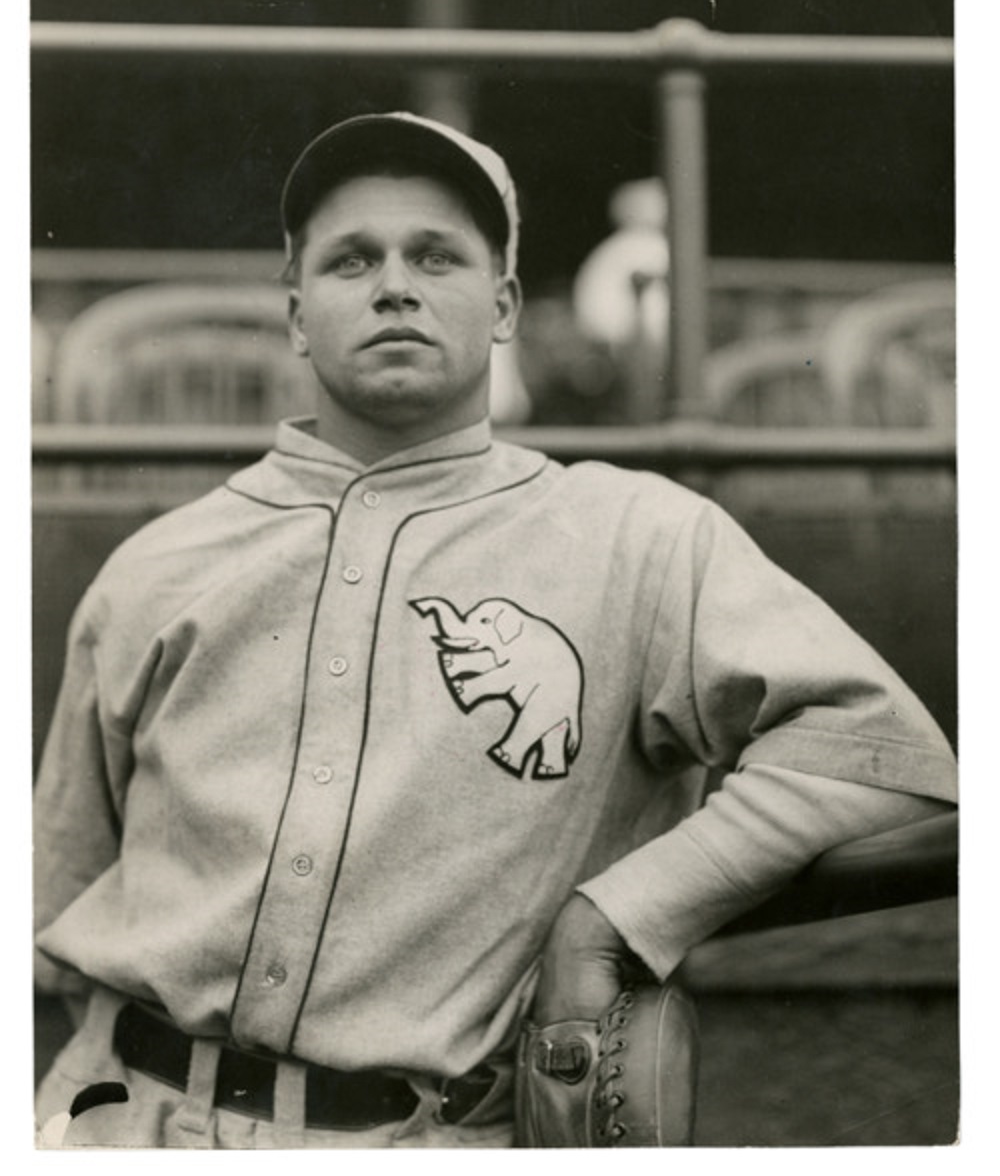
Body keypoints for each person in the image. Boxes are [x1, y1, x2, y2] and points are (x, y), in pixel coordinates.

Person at [33, 111, 957, 1149]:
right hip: (121, 1116)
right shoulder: (160, 564)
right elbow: (57, 895)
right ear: (294, 314)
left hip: (424, 1138)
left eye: (436, 256)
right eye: (350, 261)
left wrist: (609, 918)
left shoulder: (634, 538)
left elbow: (883, 752)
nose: (394, 284)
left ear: (504, 303)